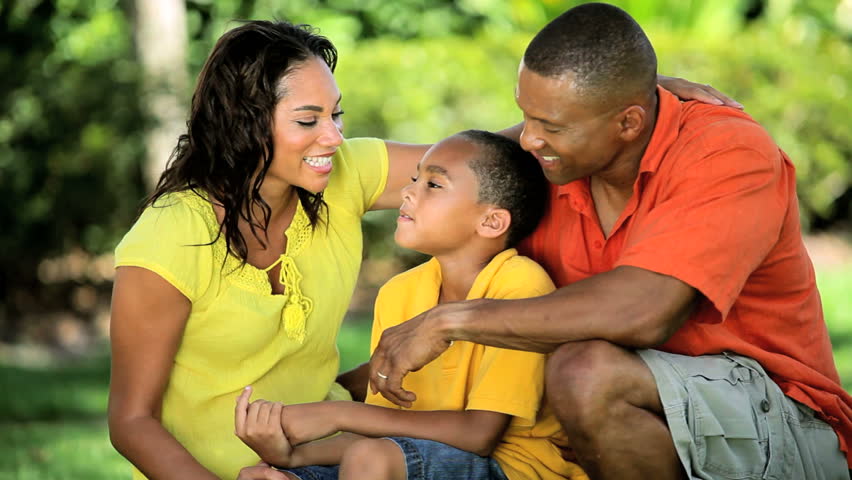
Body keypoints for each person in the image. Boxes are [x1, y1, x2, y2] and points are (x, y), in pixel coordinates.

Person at [107, 17, 740, 480]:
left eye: (337, 114)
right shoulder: (171, 235)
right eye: (308, 120)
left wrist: (621, 102)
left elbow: (478, 163)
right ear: (245, 124)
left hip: (324, 458)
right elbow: (130, 422)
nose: (332, 136)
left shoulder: (340, 172)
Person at [368, 4, 852, 480]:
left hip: (779, 420)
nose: (530, 140)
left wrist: (447, 322)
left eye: (552, 125)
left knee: (585, 373)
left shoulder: (727, 152)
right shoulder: (556, 156)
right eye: (527, 117)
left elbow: (644, 311)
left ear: (628, 123)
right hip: (631, 414)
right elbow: (429, 174)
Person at [234, 130, 589, 480]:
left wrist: (339, 414)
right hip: (410, 458)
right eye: (415, 178)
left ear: (491, 221)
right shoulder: (399, 292)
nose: (407, 191)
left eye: (433, 185)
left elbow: (479, 436)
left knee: (372, 458)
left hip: (511, 467)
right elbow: (382, 434)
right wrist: (293, 457)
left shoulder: (519, 285)